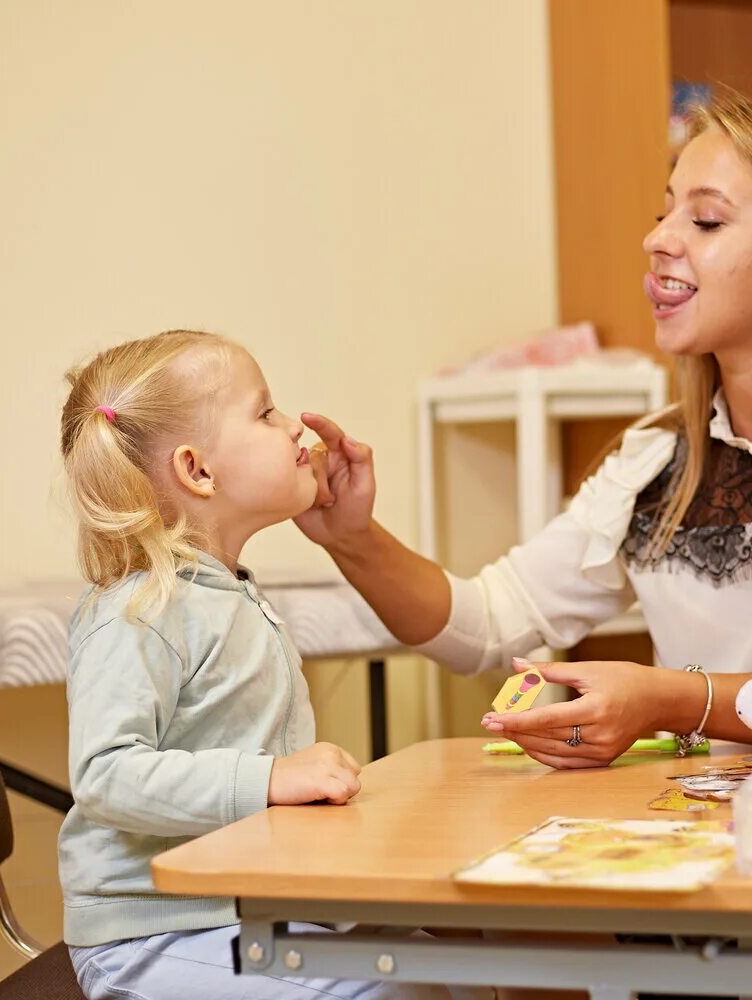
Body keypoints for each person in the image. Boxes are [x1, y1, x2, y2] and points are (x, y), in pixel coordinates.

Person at [296, 93, 752, 799]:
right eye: (663, 210)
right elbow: (487, 624)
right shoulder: (656, 462)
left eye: (705, 220)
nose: (657, 239)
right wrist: (353, 538)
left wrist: (666, 700)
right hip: (714, 840)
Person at [56, 329, 480, 999]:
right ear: (198, 471)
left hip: (242, 912)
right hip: (152, 937)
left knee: (466, 969)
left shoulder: (226, 591)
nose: (294, 430)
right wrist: (272, 778)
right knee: (401, 994)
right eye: (266, 413)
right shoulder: (137, 610)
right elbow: (106, 777)